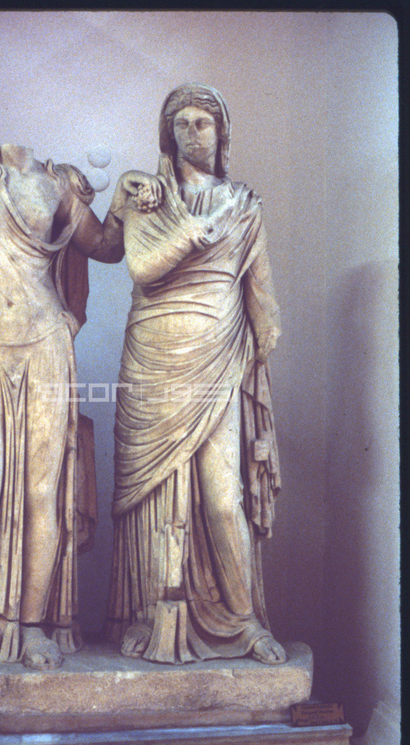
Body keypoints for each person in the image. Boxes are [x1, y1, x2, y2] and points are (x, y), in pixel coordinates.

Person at [0, 143, 149, 669]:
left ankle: (31, 627)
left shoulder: (57, 185)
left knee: (42, 495)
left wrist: (122, 193)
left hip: (45, 345)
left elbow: (107, 247)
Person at [104, 84, 286, 665]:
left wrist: (260, 353)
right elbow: (137, 266)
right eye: (180, 123)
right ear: (168, 133)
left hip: (218, 361)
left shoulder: (245, 205)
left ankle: (245, 621)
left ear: (221, 132)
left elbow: (261, 294)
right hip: (152, 357)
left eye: (202, 122)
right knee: (154, 497)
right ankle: (147, 616)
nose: (191, 132)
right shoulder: (147, 196)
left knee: (223, 500)